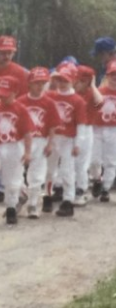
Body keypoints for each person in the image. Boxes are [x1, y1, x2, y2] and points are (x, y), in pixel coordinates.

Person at [0, 76, 34, 225]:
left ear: (15, 92)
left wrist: (27, 152)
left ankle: (11, 208)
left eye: (7, 94)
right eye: (1, 93)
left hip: (14, 145)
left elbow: (27, 133)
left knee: (13, 180)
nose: (3, 97)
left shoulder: (21, 109)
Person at [16, 66, 61, 218]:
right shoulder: (21, 101)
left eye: (43, 83)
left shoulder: (48, 102)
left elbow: (53, 125)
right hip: (22, 140)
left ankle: (33, 204)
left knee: (38, 173)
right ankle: (21, 193)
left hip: (40, 139)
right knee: (15, 171)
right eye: (36, 83)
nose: (39, 86)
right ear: (29, 83)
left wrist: (50, 143)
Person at [46, 65, 87, 216]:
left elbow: (81, 124)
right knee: (50, 169)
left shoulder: (78, 101)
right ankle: (47, 196)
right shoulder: (51, 96)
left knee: (67, 170)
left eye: (66, 80)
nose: (62, 83)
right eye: (60, 80)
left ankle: (68, 201)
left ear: (73, 81)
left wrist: (78, 144)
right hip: (52, 138)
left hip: (68, 139)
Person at [73, 65, 103, 205]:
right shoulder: (72, 92)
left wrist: (93, 85)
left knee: (82, 162)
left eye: (83, 81)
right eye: (77, 80)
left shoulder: (91, 93)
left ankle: (81, 190)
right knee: (69, 162)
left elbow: (100, 102)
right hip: (71, 130)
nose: (78, 83)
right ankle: (68, 190)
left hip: (85, 129)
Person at [89, 60, 116, 202]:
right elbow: (91, 108)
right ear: (108, 76)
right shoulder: (100, 92)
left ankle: (105, 188)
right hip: (97, 127)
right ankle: (97, 179)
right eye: (112, 74)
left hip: (113, 129)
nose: (115, 77)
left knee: (111, 160)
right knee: (94, 159)